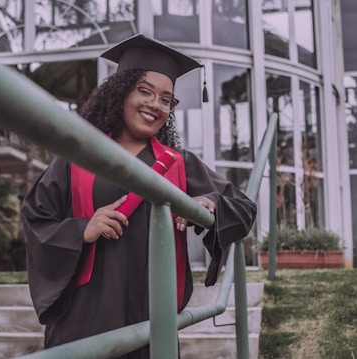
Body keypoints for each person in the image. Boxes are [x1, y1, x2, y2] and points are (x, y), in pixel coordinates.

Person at [20, 34, 257, 358]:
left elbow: (244, 208)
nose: (154, 105)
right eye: (144, 91)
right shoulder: (78, 155)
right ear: (121, 90)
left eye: (166, 99)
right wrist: (82, 229)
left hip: (151, 318)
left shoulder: (178, 163)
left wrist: (208, 206)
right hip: (84, 318)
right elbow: (36, 217)